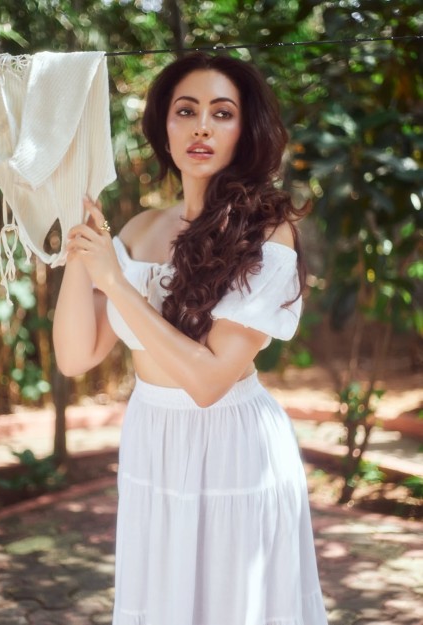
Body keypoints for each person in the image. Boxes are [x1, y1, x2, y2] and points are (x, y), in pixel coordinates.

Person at [53, 52, 328, 625]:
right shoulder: (140, 228)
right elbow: (76, 356)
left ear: (244, 131)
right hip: (151, 441)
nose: (202, 126)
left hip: (232, 446)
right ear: (165, 126)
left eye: (222, 113)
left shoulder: (267, 234)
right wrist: (82, 247)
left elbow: (207, 383)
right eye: (186, 110)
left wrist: (115, 281)